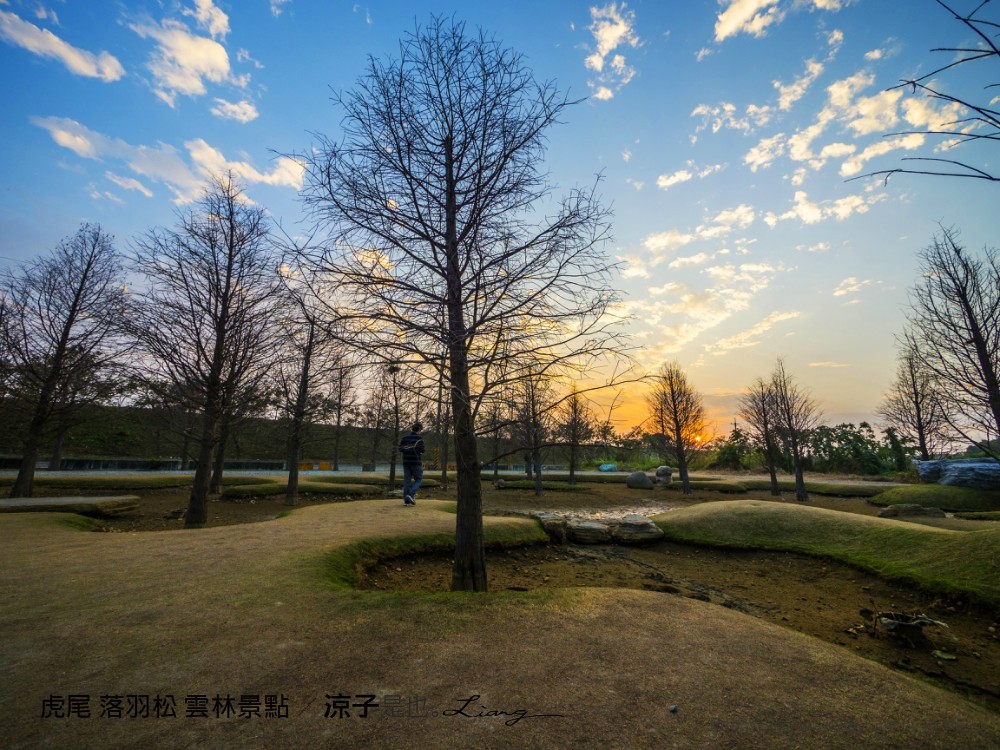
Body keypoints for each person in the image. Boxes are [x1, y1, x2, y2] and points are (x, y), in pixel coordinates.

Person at [399, 422, 425, 506]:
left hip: (406, 462)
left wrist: (407, 449)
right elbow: (422, 450)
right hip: (416, 462)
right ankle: (410, 494)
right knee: (418, 479)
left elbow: (400, 449)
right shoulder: (419, 439)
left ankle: (406, 501)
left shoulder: (405, 438)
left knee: (407, 481)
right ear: (419, 429)